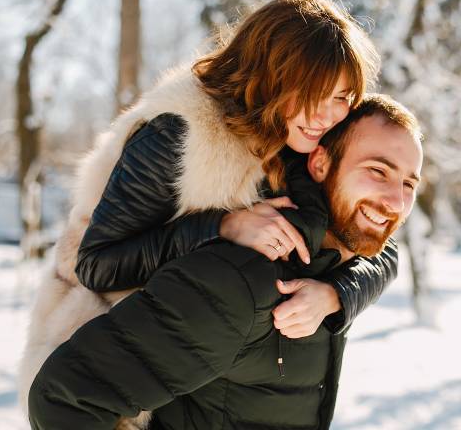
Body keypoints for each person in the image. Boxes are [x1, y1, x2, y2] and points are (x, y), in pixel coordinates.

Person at [17, 0, 393, 426]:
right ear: (272, 73)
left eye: (342, 97)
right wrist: (221, 225)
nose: (327, 114)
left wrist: (336, 295)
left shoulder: (300, 144)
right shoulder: (179, 134)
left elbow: (379, 247)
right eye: (312, 91)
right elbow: (96, 266)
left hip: (196, 376)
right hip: (105, 372)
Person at [28, 94, 423, 430]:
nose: (397, 201)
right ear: (319, 164)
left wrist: (337, 295)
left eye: (409, 183)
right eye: (377, 171)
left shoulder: (333, 264)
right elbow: (65, 398)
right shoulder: (241, 281)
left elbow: (387, 254)